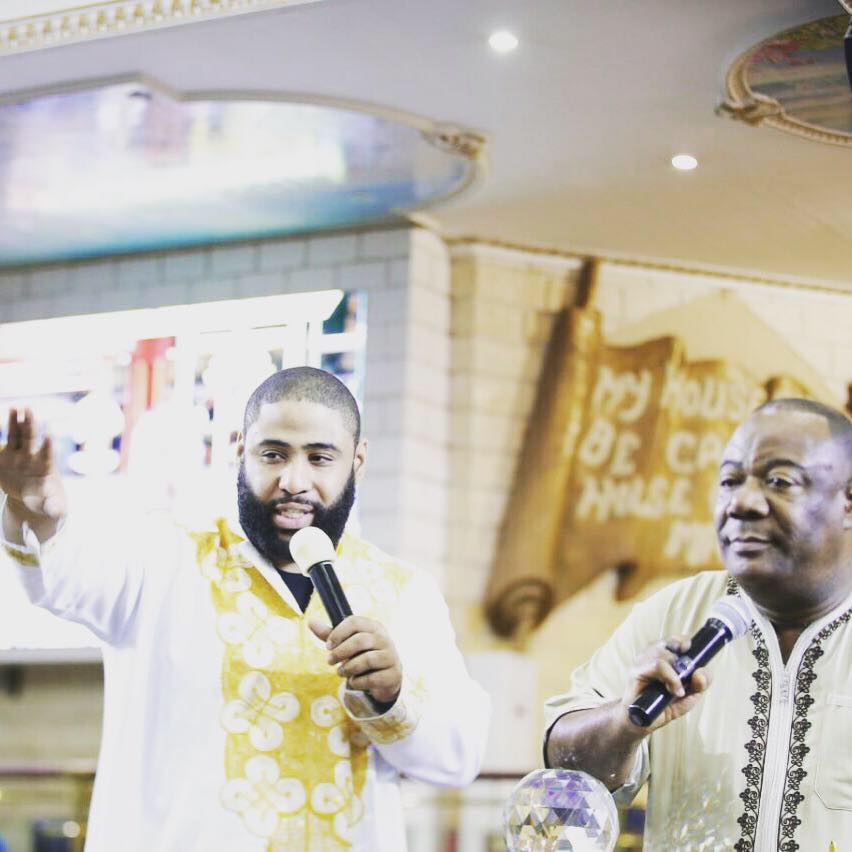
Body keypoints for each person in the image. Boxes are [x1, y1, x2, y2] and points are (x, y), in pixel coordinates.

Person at [0, 367, 489, 852]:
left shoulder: (404, 593)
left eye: (320, 458)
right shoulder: (164, 556)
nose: (294, 481)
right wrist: (34, 512)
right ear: (240, 450)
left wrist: (393, 693)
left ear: (357, 462)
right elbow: (62, 572)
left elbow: (456, 759)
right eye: (273, 454)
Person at [543, 398, 852, 851]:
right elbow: (563, 771)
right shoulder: (675, 612)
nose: (742, 502)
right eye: (730, 481)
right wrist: (626, 722)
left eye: (779, 481)